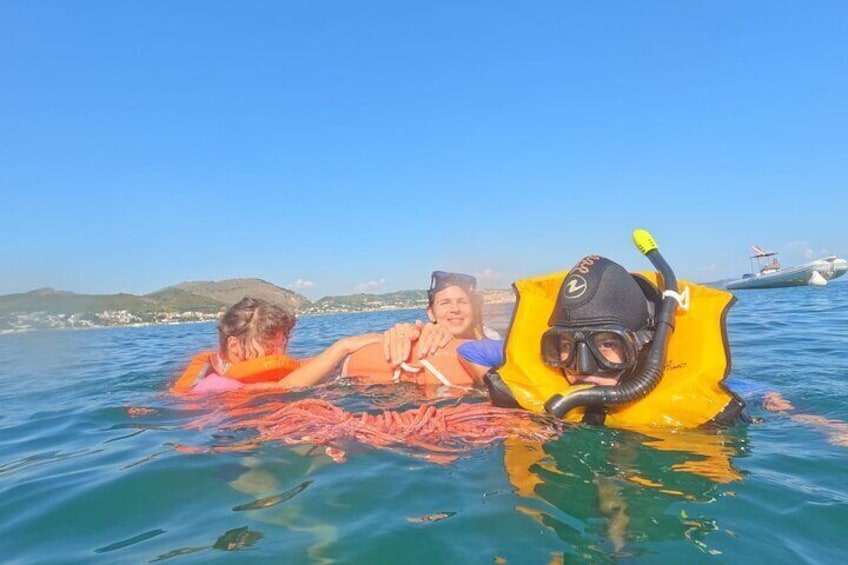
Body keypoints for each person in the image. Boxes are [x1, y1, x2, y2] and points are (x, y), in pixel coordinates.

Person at [172, 297, 381, 394]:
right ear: (235, 346)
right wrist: (342, 347)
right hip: (228, 444)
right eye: (269, 346)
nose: (279, 354)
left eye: (282, 344)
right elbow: (284, 388)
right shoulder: (212, 385)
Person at [349, 271, 501, 387]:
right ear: (430, 313)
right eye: (445, 303)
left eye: (462, 302)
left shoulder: (491, 337)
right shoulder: (417, 335)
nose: (455, 309)